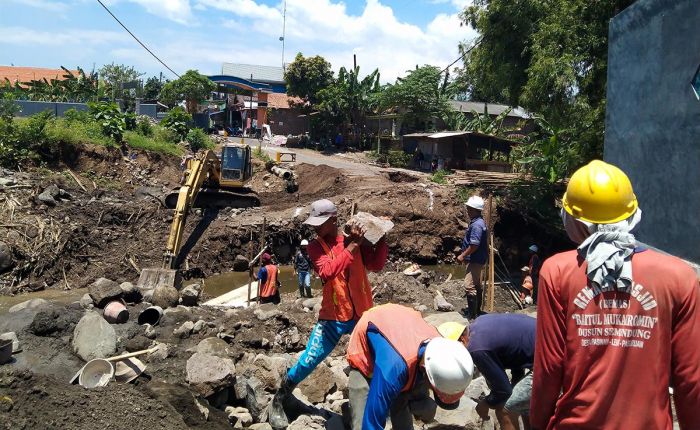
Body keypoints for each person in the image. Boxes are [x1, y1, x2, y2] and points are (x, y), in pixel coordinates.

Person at [531, 160, 700, 429]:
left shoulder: (557, 272)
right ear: (633, 215)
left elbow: (549, 368)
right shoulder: (679, 277)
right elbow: (690, 378)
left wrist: (537, 424)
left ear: (574, 220)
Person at [268, 199, 389, 429]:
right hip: (333, 317)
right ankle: (279, 399)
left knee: (376, 360)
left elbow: (375, 264)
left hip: (362, 316)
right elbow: (328, 270)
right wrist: (352, 246)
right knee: (309, 360)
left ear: (333, 220)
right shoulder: (315, 246)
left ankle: (374, 406)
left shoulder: (354, 239)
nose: (315, 228)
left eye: (320, 223)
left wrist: (381, 238)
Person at [348, 304, 474, 430]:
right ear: (427, 373)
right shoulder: (392, 370)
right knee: (362, 412)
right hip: (372, 325)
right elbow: (372, 424)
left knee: (405, 396)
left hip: (404, 322)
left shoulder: (441, 349)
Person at [439, 313, 536, 430]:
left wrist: (485, 403)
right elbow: (515, 350)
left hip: (549, 359)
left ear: (461, 340)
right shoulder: (479, 323)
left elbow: (503, 391)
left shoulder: (477, 349)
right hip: (550, 343)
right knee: (521, 403)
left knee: (504, 409)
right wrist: (515, 382)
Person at [456, 196, 488, 319]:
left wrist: (463, 255)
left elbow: (474, 244)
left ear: (474, 209)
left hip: (475, 259)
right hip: (477, 258)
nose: (467, 211)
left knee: (469, 286)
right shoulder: (478, 222)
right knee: (476, 284)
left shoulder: (477, 225)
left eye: (469, 208)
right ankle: (477, 312)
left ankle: (472, 315)